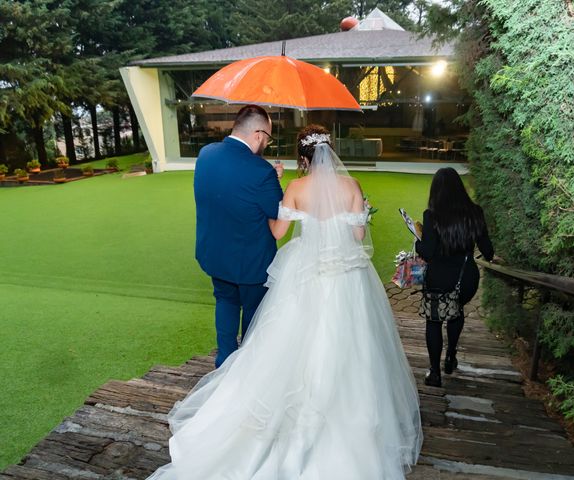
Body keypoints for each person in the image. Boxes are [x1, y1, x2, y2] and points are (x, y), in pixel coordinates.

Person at [147, 125, 422, 480]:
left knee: (290, 340)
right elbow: (357, 235)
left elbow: (278, 232)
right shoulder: (351, 187)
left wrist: (276, 192)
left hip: (305, 271)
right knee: (351, 343)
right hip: (347, 276)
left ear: (303, 160)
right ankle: (348, 415)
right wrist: (363, 213)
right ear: (329, 152)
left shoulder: (295, 187)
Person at [194, 105, 284, 368]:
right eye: (268, 138)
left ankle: (224, 359)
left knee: (225, 300)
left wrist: (268, 176)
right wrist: (274, 179)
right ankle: (246, 367)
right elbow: (276, 212)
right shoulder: (261, 170)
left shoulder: (206, 154)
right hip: (251, 262)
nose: (266, 144)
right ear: (258, 134)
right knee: (254, 314)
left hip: (215, 255)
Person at [415, 167, 494, 387]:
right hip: (466, 279)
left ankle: (434, 372)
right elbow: (488, 250)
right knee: (455, 310)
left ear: (436, 190)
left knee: (434, 320)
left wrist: (417, 241)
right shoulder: (475, 212)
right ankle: (450, 355)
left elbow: (428, 251)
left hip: (439, 279)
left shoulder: (431, 215)